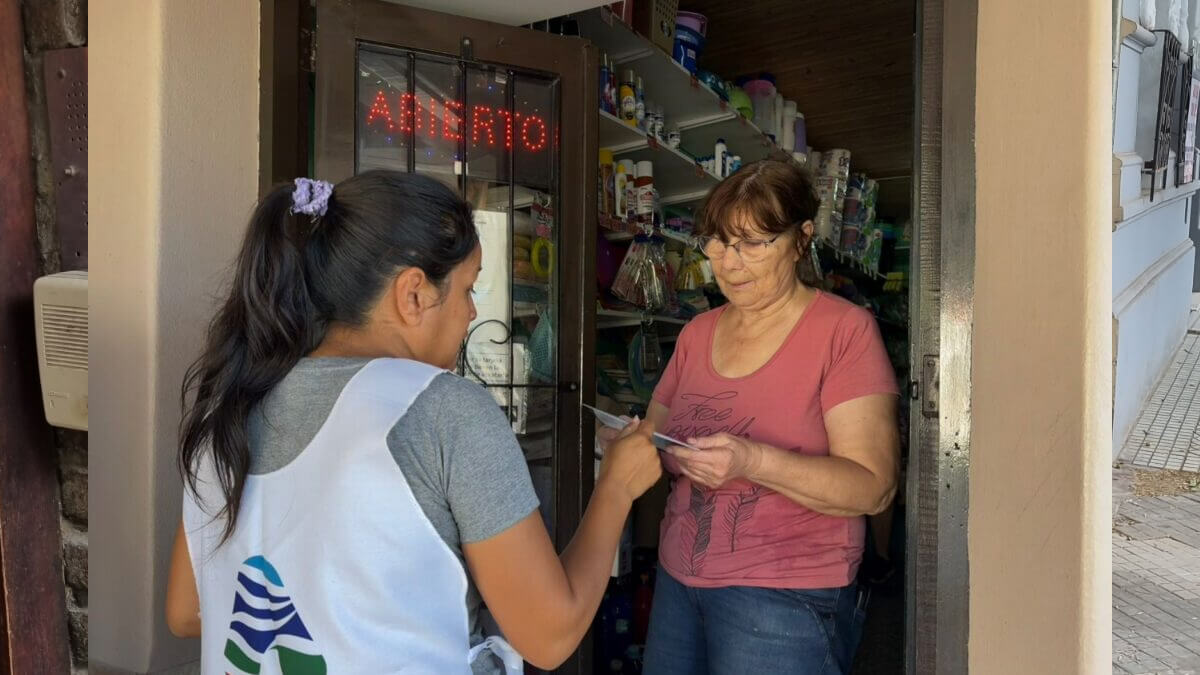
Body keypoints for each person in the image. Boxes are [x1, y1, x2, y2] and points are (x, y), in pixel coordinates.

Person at [165, 170, 662, 674]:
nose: (472, 312)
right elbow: (550, 635)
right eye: (468, 288)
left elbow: (186, 611)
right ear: (414, 294)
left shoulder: (226, 407)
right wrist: (617, 487)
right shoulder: (444, 411)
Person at [603, 159, 900, 674]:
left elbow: (873, 487)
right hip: (680, 583)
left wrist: (752, 461)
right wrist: (622, 439)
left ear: (801, 239)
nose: (729, 262)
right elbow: (658, 440)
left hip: (784, 596)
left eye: (753, 243)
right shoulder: (697, 333)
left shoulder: (843, 331)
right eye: (717, 243)